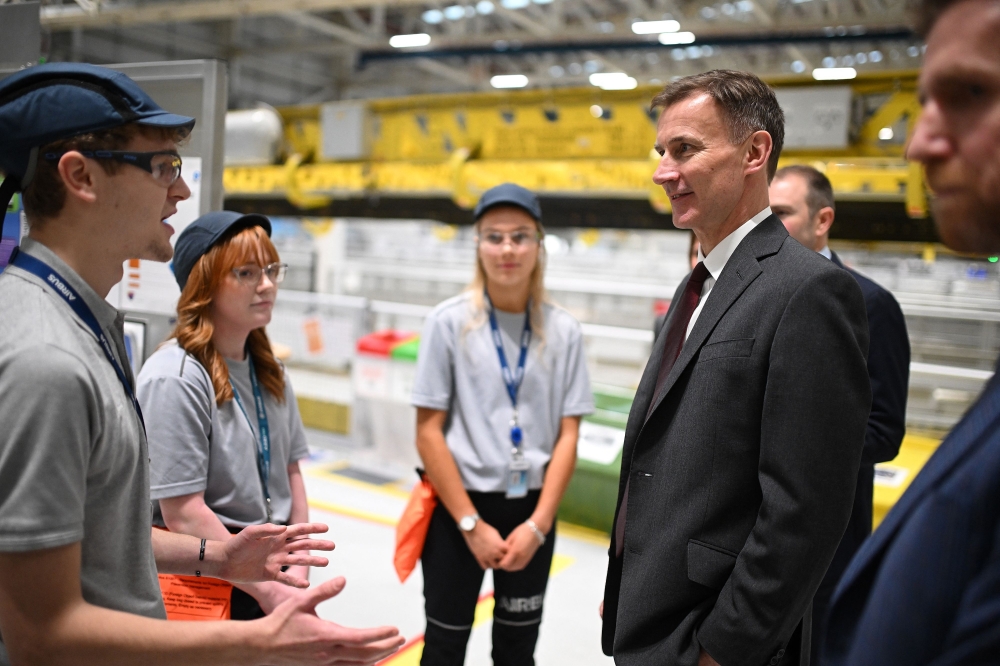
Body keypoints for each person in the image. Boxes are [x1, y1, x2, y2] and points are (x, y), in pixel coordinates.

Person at [0, 63, 403, 666]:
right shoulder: (47, 359)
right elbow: (42, 635)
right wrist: (258, 641)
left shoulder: (84, 327)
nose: (182, 191)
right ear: (80, 176)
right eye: (162, 167)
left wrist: (221, 559)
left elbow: (100, 537)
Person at [600, 70, 872, 666]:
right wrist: (628, 577)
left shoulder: (809, 293)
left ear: (755, 152)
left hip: (711, 636)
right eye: (661, 152)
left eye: (685, 150)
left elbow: (804, 511)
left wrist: (722, 650)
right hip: (651, 614)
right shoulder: (699, 284)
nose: (662, 171)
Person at [822, 1, 1000, 663]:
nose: (917, 141)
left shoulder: (871, 306)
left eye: (972, 93)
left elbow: (880, 429)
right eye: (925, 100)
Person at [412, 183, 594, 666]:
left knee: (517, 650)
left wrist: (539, 525)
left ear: (539, 243)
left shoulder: (563, 331)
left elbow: (568, 434)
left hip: (532, 515)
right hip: (459, 512)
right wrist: (471, 524)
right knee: (445, 646)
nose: (507, 249)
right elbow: (428, 431)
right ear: (478, 246)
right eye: (494, 237)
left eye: (520, 236)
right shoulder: (447, 324)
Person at [137, 211, 314, 620]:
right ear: (206, 284)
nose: (267, 284)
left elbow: (291, 471)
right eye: (247, 273)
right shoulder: (176, 377)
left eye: (271, 270)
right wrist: (271, 592)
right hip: (214, 567)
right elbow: (184, 512)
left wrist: (298, 567)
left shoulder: (269, 370)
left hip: (273, 563)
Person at [769, 165, 910, 663]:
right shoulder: (757, 299)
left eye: (781, 213)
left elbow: (885, 430)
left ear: (822, 219)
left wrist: (795, 448)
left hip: (828, 542)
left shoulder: (872, 306)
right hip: (757, 542)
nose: (767, 225)